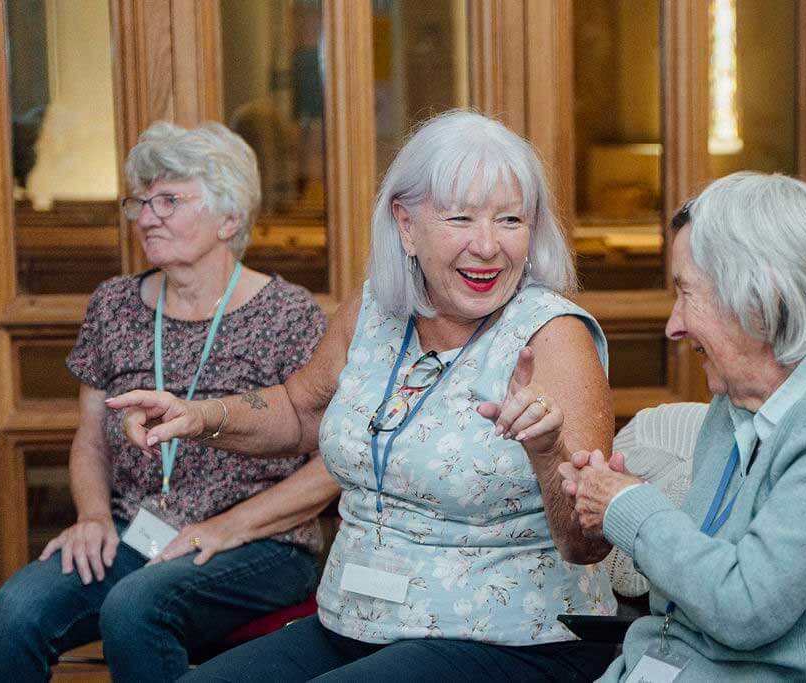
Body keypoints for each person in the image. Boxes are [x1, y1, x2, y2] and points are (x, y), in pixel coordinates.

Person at [108, 110, 619, 682]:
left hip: (514, 641)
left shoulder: (553, 336)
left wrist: (547, 452)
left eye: (509, 220)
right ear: (406, 225)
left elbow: (588, 542)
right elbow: (301, 410)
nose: (487, 246)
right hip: (354, 623)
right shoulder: (376, 308)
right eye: (460, 218)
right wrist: (197, 416)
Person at [0, 121, 337, 682]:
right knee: (18, 609)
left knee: (136, 607)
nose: (146, 216)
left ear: (230, 217)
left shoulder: (290, 314)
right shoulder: (114, 305)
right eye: (140, 201)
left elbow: (334, 462)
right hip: (136, 531)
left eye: (168, 200)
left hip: (260, 543)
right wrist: (93, 516)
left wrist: (226, 527)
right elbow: (91, 439)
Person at [561, 172, 806, 681]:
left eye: (687, 294)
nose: (673, 325)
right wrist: (618, 503)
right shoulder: (740, 398)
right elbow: (682, 593)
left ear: (760, 297)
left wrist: (629, 508)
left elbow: (746, 607)